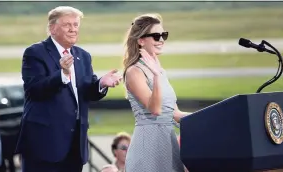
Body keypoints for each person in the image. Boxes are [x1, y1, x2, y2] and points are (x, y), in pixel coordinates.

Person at [15, 6, 122, 172]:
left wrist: (101, 83)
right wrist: (62, 74)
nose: (73, 29)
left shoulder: (83, 56)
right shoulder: (35, 53)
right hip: (44, 145)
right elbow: (34, 90)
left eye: (76, 25)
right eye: (67, 25)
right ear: (52, 28)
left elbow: (87, 91)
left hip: (74, 145)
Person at [122, 13, 191, 172]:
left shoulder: (159, 71)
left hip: (168, 142)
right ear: (140, 40)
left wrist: (210, 116)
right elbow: (155, 109)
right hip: (148, 145)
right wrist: (155, 75)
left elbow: (174, 113)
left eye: (163, 35)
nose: (161, 40)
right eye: (156, 36)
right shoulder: (135, 71)